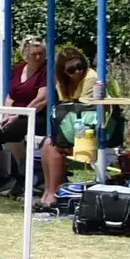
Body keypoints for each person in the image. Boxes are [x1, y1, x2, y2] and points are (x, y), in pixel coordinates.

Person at [39, 44, 106, 199]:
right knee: (48, 145)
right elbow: (65, 110)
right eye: (71, 70)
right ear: (64, 72)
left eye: (79, 66)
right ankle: (48, 192)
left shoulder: (91, 77)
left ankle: (53, 195)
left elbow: (78, 109)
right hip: (76, 130)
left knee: (54, 147)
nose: (78, 71)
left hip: (91, 131)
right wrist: (60, 84)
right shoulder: (64, 84)